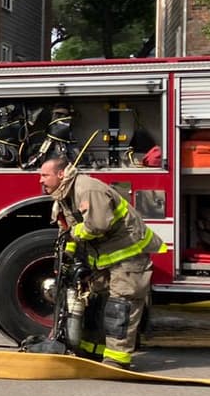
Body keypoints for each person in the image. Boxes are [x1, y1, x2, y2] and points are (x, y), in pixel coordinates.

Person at [38, 155, 166, 370]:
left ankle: (117, 360)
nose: (40, 180)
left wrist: (74, 235)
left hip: (128, 256)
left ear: (61, 174)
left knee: (121, 306)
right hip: (104, 258)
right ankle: (92, 351)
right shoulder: (65, 194)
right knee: (96, 304)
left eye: (44, 175)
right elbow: (69, 230)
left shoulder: (87, 190)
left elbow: (97, 225)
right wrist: (69, 257)